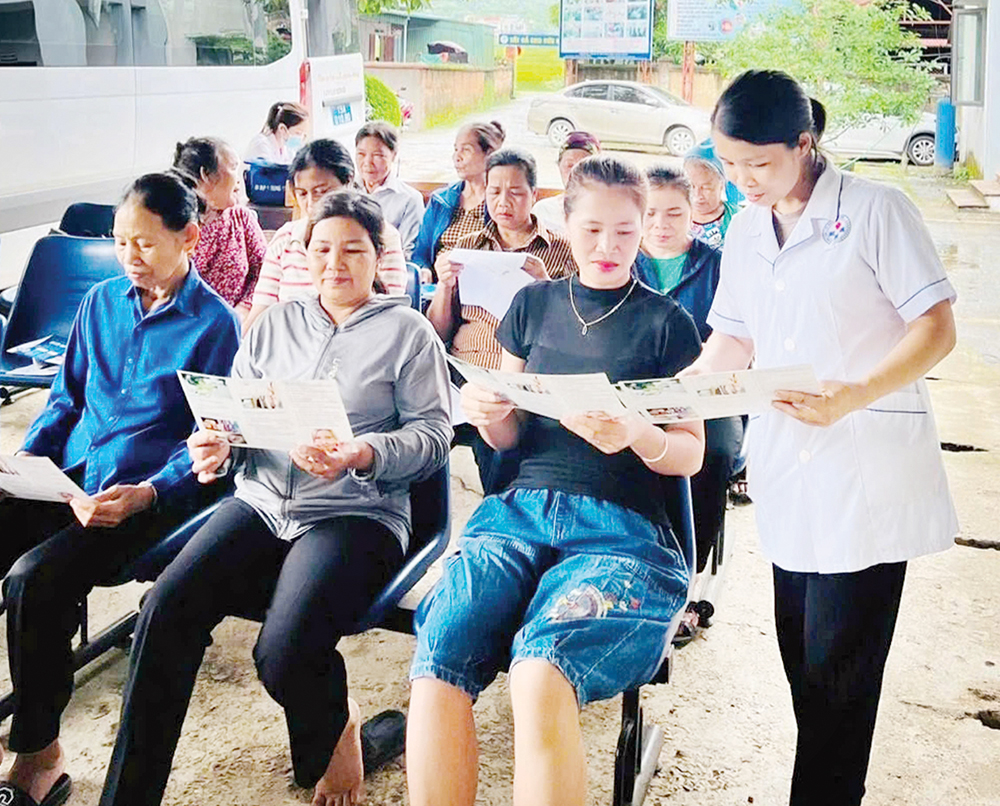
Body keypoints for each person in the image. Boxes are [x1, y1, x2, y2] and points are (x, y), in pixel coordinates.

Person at [99, 191, 452, 806]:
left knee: (285, 651)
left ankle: (339, 728)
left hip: (355, 511)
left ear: (379, 256)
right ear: (301, 252)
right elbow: (233, 417)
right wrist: (215, 447)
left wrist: (360, 453)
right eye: (321, 249)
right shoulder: (275, 324)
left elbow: (433, 437)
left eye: (353, 250)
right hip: (262, 499)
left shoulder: (408, 332)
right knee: (165, 610)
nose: (334, 263)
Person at [687, 69, 958, 806]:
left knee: (840, 678)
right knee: (807, 671)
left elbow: (936, 328)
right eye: (728, 164)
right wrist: (683, 396)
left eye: (758, 165)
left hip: (865, 474)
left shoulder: (877, 209)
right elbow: (733, 338)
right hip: (786, 471)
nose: (742, 181)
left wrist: (856, 394)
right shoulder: (746, 227)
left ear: (804, 144)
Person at [406, 155, 705, 806]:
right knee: (439, 656)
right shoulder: (534, 307)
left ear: (644, 228)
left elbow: (688, 455)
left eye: (626, 232)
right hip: (520, 511)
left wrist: (637, 433)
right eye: (592, 229)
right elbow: (511, 437)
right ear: (565, 224)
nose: (608, 247)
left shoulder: (664, 324)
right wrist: (492, 415)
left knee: (540, 671)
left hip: (623, 529)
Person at [0, 173, 240, 806]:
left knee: (34, 579)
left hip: (144, 498)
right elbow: (64, 399)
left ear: (189, 236)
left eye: (145, 244)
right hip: (74, 478)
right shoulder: (101, 301)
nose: (129, 257)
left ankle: (38, 752)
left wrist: (148, 493)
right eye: (120, 242)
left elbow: (212, 445)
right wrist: (30, 460)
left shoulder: (216, 325)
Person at [633, 166, 743, 641]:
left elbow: (733, 338)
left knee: (713, 452)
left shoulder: (716, 266)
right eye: (651, 212)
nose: (661, 223)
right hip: (635, 391)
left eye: (674, 213)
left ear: (692, 214)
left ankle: (689, 581)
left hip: (705, 392)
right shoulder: (622, 261)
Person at [426, 147, 576, 494]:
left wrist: (546, 288)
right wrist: (445, 287)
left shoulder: (561, 249)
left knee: (502, 443)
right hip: (466, 372)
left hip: (526, 377)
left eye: (515, 192)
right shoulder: (465, 247)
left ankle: (502, 513)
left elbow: (576, 328)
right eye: (494, 192)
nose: (503, 201)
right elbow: (438, 331)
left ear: (534, 196)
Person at [244, 139, 408, 331]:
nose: (312, 204)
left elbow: (389, 318)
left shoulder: (380, 237)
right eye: (303, 194)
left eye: (322, 192)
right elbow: (260, 314)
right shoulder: (286, 239)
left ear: (347, 182)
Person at [173, 136, 267, 318]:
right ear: (205, 176)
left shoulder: (241, 218)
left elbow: (264, 272)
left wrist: (242, 311)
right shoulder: (174, 226)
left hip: (242, 324)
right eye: (233, 168)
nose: (239, 180)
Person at [411, 121, 505, 276]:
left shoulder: (500, 204)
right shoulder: (440, 201)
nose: (457, 157)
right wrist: (424, 270)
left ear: (489, 154)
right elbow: (421, 253)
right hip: (439, 287)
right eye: (455, 149)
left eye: (466, 150)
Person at [354, 121, 425, 256]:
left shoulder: (409, 199)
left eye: (378, 155)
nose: (367, 162)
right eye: (361, 154)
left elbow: (408, 252)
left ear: (393, 155)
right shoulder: (346, 190)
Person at [531, 130, 601, 237]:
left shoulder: (606, 212)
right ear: (559, 166)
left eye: (583, 166)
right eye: (569, 165)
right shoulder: (542, 210)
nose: (575, 172)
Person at [683, 141, 740, 250]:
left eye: (706, 188)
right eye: (691, 186)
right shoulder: (677, 216)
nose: (697, 195)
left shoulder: (737, 218)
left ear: (722, 185)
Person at [245, 101, 309, 164]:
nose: (300, 138)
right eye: (298, 133)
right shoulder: (261, 145)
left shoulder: (287, 150)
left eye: (303, 135)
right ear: (282, 129)